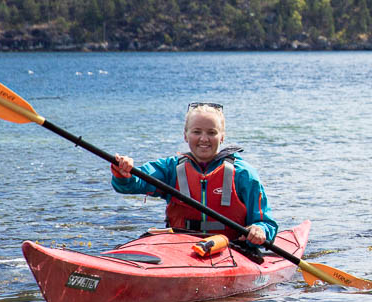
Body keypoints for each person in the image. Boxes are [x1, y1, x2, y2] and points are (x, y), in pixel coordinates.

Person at [110, 102, 278, 245]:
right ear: (185, 135)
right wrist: (123, 172)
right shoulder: (170, 169)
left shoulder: (243, 174)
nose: (204, 139)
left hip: (230, 249)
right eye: (197, 132)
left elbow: (267, 224)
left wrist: (259, 229)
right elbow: (132, 184)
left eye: (211, 132)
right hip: (180, 248)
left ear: (222, 137)